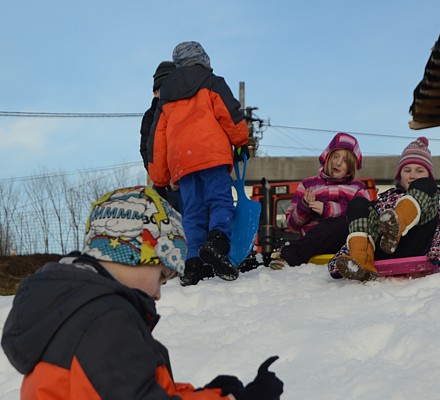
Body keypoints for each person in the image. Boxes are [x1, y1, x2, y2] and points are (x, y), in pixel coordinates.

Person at [1, 186, 284, 400]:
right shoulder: (101, 320)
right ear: (136, 252)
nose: (159, 293)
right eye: (162, 274)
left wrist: (206, 397)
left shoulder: (75, 315)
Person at [147, 41, 250, 286]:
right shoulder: (212, 82)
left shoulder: (167, 96)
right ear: (204, 59)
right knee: (219, 201)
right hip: (212, 154)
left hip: (182, 163)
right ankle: (216, 243)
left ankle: (192, 264)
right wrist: (241, 139)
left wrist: (160, 176)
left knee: (192, 213)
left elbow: (157, 138)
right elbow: (229, 113)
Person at [329, 137, 440, 281]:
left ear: (429, 175)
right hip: (385, 249)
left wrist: (437, 255)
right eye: (407, 170)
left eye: (420, 171)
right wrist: (339, 261)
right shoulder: (386, 199)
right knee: (358, 203)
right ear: (399, 175)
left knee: (424, 186)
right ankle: (360, 260)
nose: (412, 175)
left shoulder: (438, 199)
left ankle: (398, 224)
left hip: (416, 245)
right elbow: (364, 227)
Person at [269, 132, 372, 270]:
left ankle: (290, 255)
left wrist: (328, 209)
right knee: (323, 228)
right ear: (327, 156)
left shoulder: (357, 188)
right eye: (335, 156)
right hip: (313, 244)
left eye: (345, 160)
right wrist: (304, 206)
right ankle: (288, 257)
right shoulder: (308, 185)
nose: (338, 163)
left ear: (351, 166)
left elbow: (363, 217)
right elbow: (292, 225)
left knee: (344, 223)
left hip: (344, 244)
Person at [140, 60, 180, 211]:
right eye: (161, 88)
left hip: (186, 175)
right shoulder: (150, 116)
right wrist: (159, 176)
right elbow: (146, 149)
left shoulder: (184, 108)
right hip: (163, 181)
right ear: (155, 92)